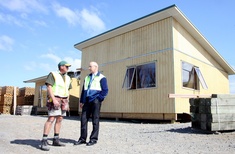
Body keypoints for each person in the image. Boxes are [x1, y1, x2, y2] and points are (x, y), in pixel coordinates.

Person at [74, 61, 108, 146]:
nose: (89, 68)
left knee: (95, 120)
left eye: (90, 66)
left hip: (96, 101)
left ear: (96, 67)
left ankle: (93, 139)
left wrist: (99, 99)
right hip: (87, 101)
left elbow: (105, 90)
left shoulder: (102, 77)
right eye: (89, 66)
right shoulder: (87, 78)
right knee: (83, 119)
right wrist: (82, 101)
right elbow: (84, 90)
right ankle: (82, 139)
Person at [40, 61, 72, 151]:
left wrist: (67, 102)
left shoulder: (68, 78)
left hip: (64, 100)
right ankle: (44, 140)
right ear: (61, 67)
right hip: (55, 98)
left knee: (60, 119)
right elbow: (49, 87)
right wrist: (53, 99)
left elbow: (68, 90)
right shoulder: (53, 74)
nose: (68, 68)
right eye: (67, 66)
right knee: (51, 118)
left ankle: (56, 139)